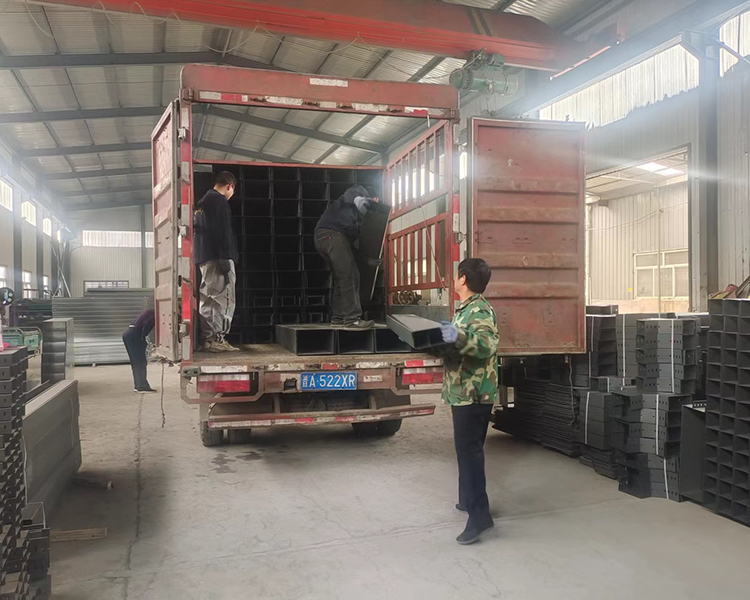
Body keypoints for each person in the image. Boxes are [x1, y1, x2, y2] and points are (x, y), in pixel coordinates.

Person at [439, 258, 499, 545]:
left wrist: (458, 335)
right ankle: (467, 499)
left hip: (474, 394)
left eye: (457, 275)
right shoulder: (464, 308)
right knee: (465, 451)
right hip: (462, 391)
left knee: (470, 452)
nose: (455, 279)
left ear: (463, 278)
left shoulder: (480, 310)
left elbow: (487, 345)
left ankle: (480, 517)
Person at [314, 184, 375, 329]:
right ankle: (352, 319)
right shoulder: (354, 195)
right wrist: (360, 199)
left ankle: (338, 318)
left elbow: (350, 249)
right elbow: (351, 193)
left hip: (324, 237)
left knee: (341, 277)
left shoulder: (355, 221)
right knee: (350, 276)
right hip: (331, 234)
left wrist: (368, 260)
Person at [194, 171, 240, 353]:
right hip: (218, 257)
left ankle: (208, 339)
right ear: (229, 186)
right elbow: (223, 231)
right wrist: (225, 257)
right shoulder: (219, 201)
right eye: (233, 190)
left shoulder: (202, 202)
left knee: (208, 300)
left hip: (204, 258)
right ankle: (218, 339)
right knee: (223, 299)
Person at [123, 308, 156, 393]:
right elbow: (146, 325)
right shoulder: (154, 315)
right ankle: (141, 386)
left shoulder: (151, 312)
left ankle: (139, 385)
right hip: (135, 335)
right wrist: (143, 337)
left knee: (136, 361)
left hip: (130, 334)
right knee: (140, 361)